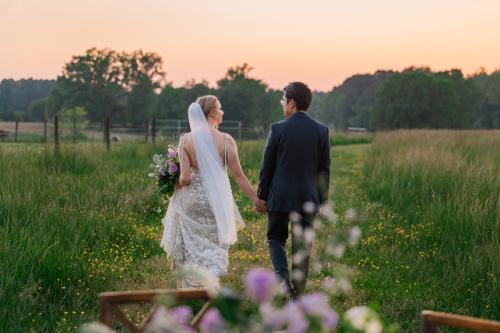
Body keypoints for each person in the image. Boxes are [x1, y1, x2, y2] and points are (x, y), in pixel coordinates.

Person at [160, 95, 263, 288]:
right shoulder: (227, 140)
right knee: (213, 242)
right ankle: (210, 282)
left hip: (192, 200)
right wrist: (255, 200)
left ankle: (190, 286)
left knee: (191, 243)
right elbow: (239, 176)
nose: (222, 112)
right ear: (212, 113)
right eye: (220, 108)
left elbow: (184, 178)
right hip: (217, 202)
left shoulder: (186, 140)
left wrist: (171, 184)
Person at [257, 82, 331, 297]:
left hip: (280, 196)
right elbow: (324, 171)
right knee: (302, 248)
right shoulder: (321, 131)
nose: (282, 105)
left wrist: (262, 196)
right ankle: (298, 296)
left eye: (283, 101)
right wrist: (322, 202)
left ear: (291, 103)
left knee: (275, 239)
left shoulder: (278, 129)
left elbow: (267, 167)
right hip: (308, 198)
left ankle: (282, 280)